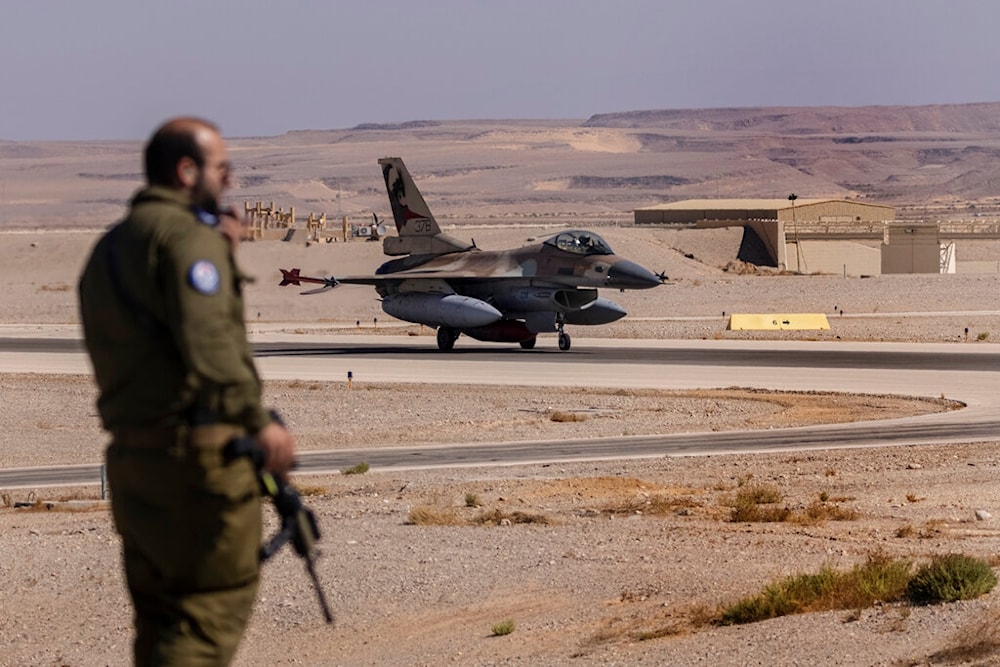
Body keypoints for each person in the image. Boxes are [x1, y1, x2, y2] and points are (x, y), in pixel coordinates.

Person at [78, 117, 295, 666]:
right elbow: (211, 342)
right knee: (206, 616)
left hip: (134, 462)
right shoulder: (188, 242)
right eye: (222, 169)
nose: (230, 182)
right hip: (196, 468)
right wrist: (258, 423)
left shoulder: (109, 250)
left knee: (159, 623)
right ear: (186, 170)